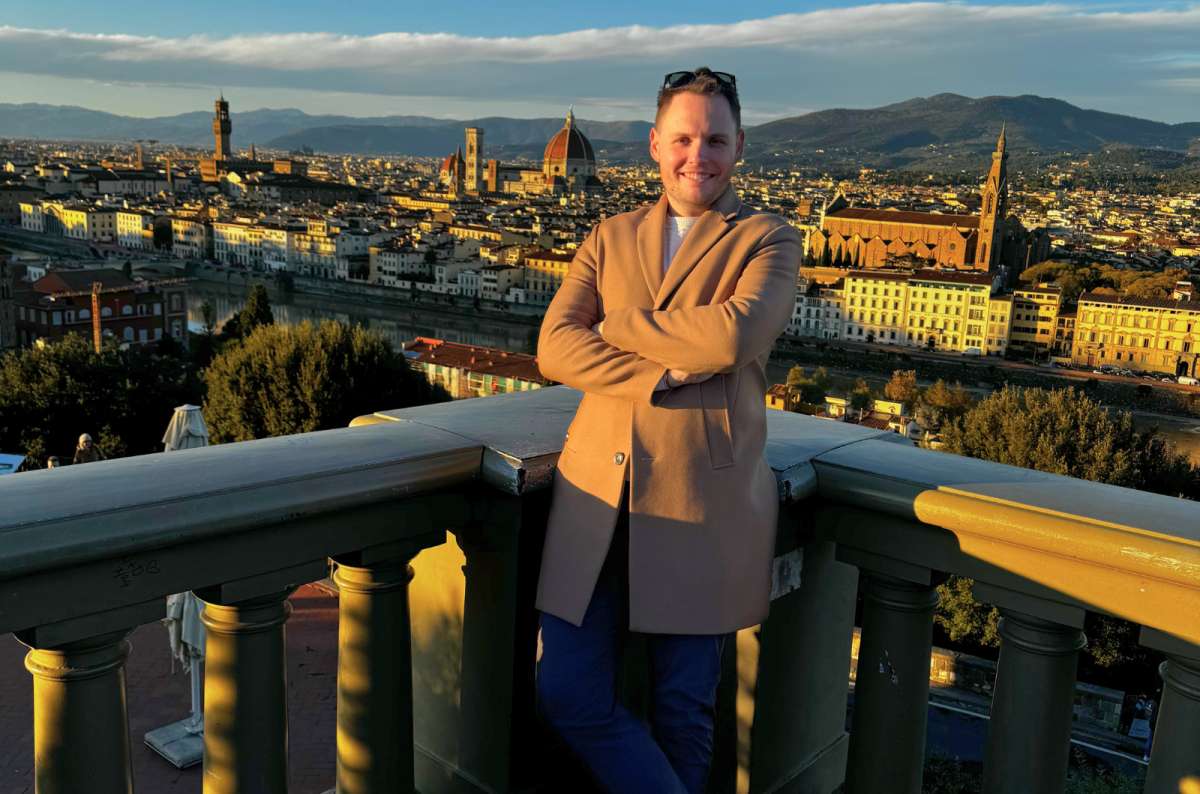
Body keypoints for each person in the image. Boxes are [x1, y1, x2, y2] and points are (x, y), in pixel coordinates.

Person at [535, 67, 801, 793]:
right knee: (566, 690)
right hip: (596, 499)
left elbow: (732, 338)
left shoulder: (769, 240)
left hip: (699, 508)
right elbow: (554, 346)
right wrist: (654, 373)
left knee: (684, 711)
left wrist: (617, 328)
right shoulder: (609, 234)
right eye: (683, 137)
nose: (698, 154)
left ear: (739, 146)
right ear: (655, 144)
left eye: (715, 138)